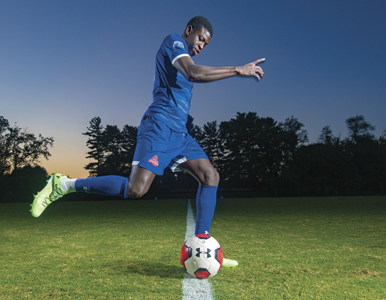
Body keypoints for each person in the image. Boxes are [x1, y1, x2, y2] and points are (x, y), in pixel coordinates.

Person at [31, 16, 264, 268]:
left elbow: (192, 74)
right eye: (200, 39)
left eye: (205, 45)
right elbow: (193, 72)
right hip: (158, 127)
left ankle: (204, 248)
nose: (200, 46)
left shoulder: (186, 55)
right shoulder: (173, 42)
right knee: (136, 190)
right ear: (189, 31)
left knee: (210, 176)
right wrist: (237, 69)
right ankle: (64, 184)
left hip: (179, 134)